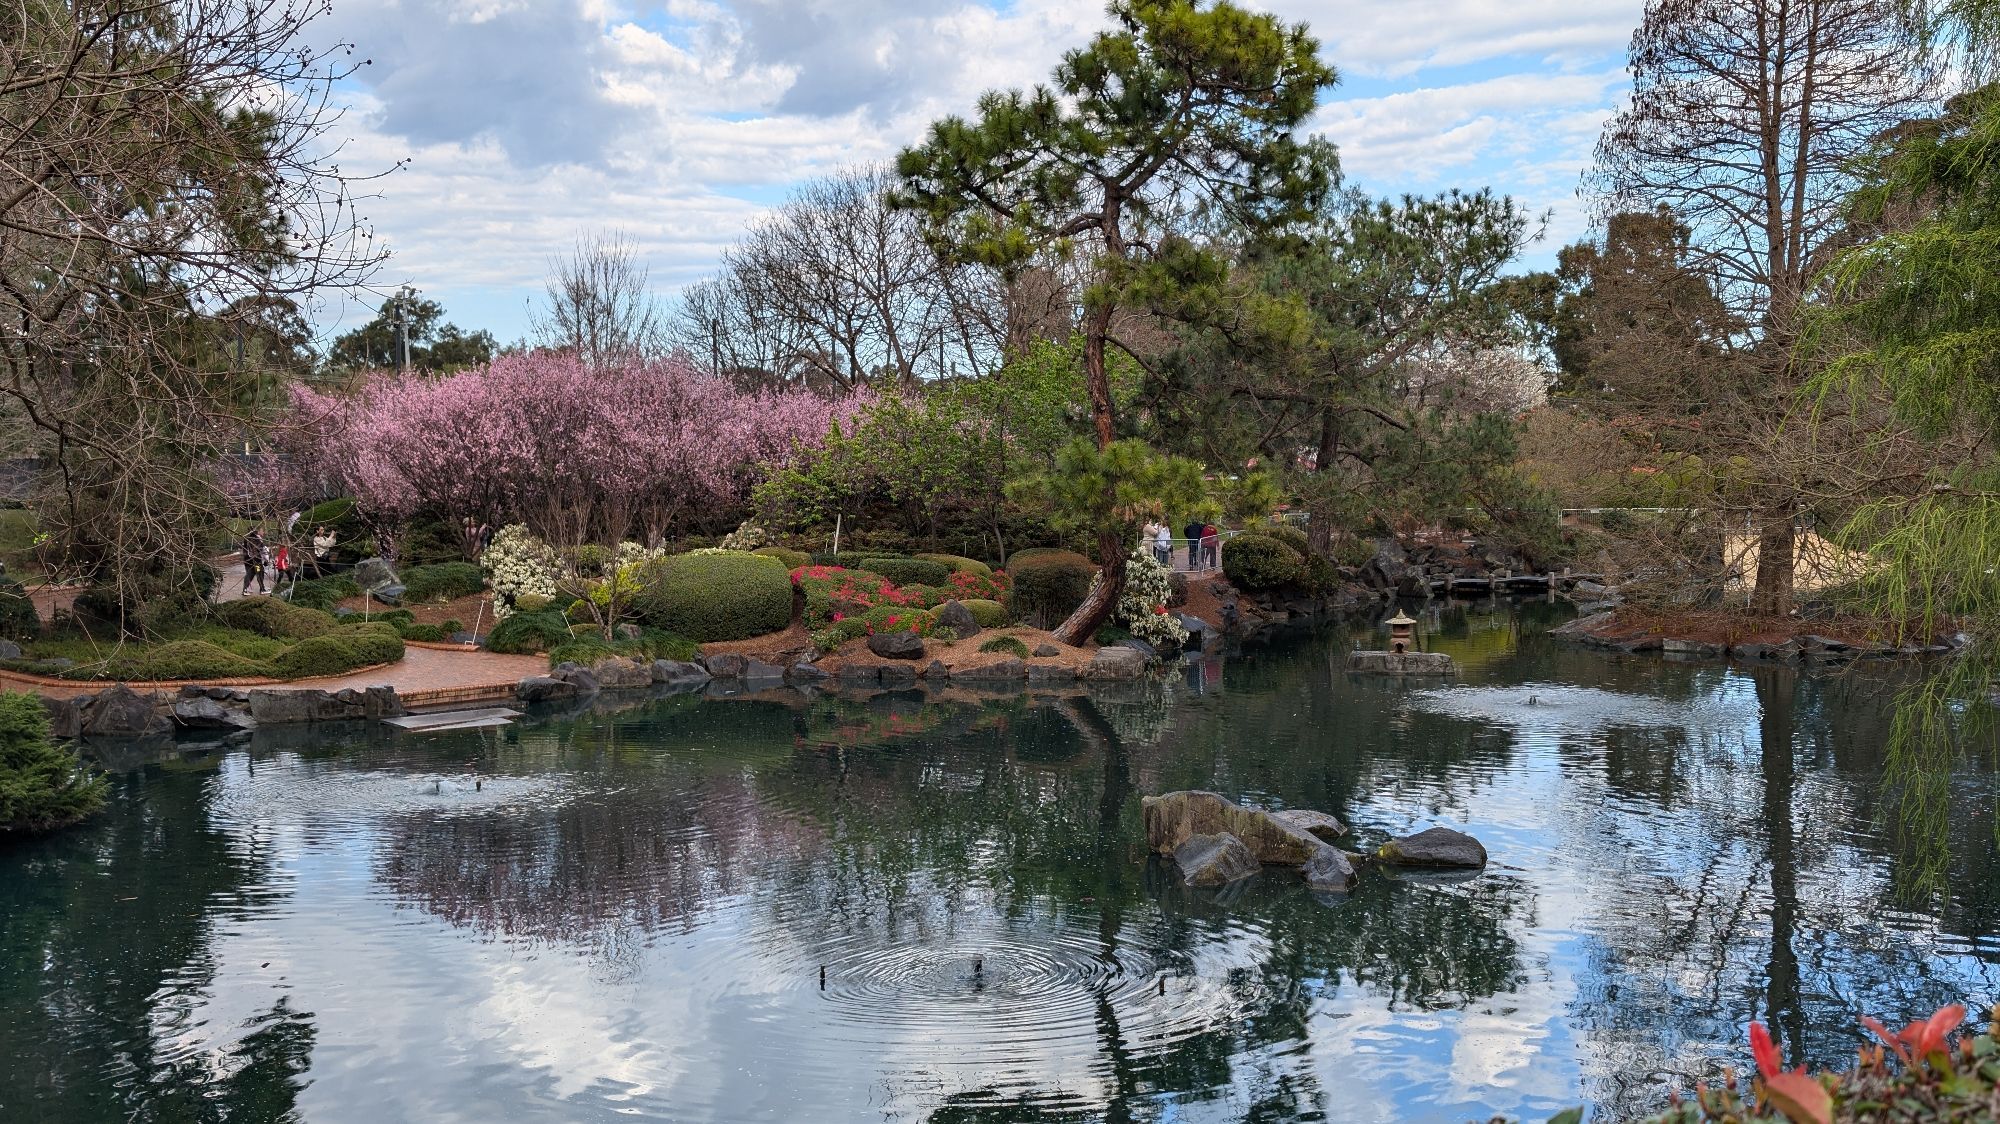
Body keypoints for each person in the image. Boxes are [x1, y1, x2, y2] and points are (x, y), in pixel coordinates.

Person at [240, 528, 267, 594]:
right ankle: (262, 589)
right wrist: (266, 560)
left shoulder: (246, 539)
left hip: (247, 561)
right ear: (256, 531)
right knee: (259, 573)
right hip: (256, 561)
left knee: (249, 574)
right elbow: (263, 550)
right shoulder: (257, 539)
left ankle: (245, 589)